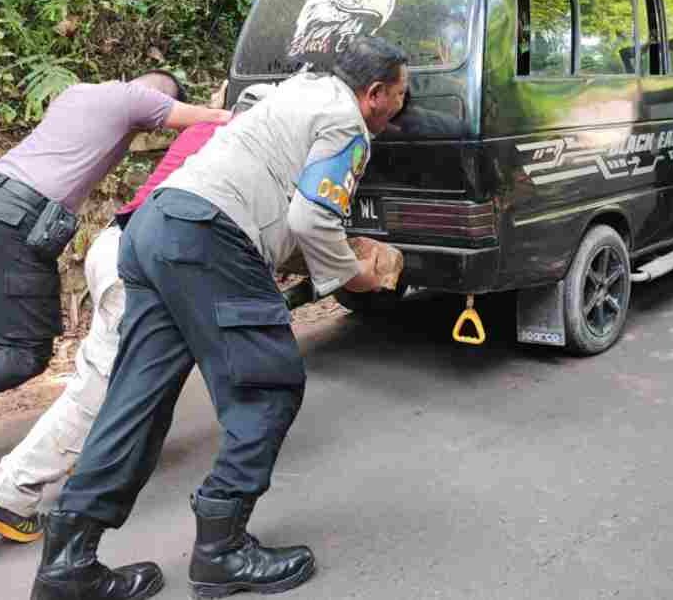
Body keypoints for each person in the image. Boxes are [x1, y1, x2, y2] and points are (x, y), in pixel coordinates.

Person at [31, 37, 409, 600]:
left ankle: (67, 562)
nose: (402, 107)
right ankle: (221, 552)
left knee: (137, 396)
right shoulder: (347, 121)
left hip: (155, 226)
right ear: (374, 92)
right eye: (400, 96)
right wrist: (357, 278)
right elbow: (311, 220)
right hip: (206, 235)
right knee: (268, 384)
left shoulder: (295, 91)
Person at [0, 72, 230, 448]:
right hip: (16, 217)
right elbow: (219, 121)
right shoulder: (135, 98)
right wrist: (219, 101)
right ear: (163, 98)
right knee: (23, 354)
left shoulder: (77, 92)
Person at [0, 120, 228, 543]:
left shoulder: (206, 128)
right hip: (147, 259)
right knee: (97, 387)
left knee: (122, 375)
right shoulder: (257, 141)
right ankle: (10, 494)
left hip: (118, 243)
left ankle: (102, 459)